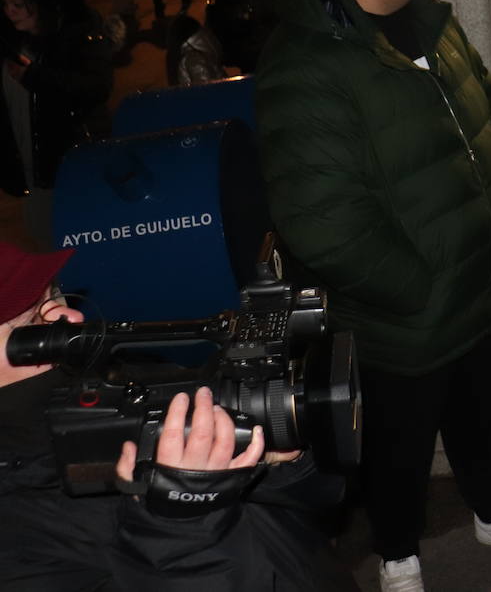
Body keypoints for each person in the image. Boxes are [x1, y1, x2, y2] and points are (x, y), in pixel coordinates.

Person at [254, 0, 491, 592]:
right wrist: (418, 288)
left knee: (479, 407)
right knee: (397, 446)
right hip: (405, 312)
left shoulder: (423, 13)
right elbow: (322, 223)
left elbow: (483, 100)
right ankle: (399, 553)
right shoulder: (304, 68)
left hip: (473, 284)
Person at [0, 241, 358, 591]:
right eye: (32, 322)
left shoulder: (124, 376)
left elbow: (322, 497)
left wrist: (275, 458)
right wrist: (179, 526)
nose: (71, 317)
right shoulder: (15, 530)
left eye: (55, 296)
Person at [1, 0, 112, 250]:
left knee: (70, 240)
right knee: (41, 234)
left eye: (17, 4)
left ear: (41, 3)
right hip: (33, 169)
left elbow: (95, 87)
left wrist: (36, 77)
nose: (9, 12)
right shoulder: (16, 41)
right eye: (5, 4)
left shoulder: (78, 34)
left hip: (72, 165)